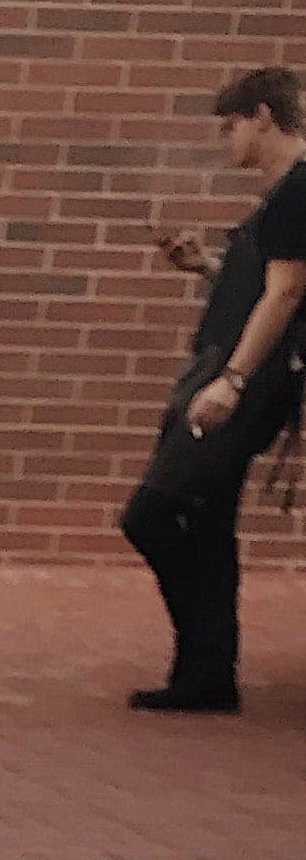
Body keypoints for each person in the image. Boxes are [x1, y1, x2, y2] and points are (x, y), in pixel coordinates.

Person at [120, 66, 306, 714]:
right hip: (244, 376)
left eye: (230, 127)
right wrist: (208, 267)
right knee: (206, 518)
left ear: (262, 117)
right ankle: (206, 672)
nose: (226, 141)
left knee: (150, 515)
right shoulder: (282, 197)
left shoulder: (298, 190)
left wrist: (232, 381)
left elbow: (287, 293)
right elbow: (268, 286)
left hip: (246, 383)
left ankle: (204, 657)